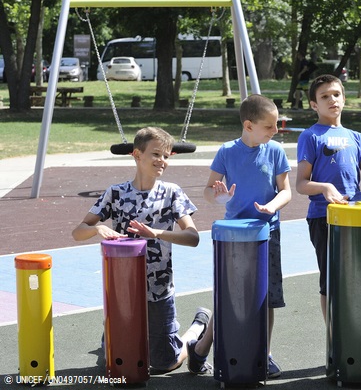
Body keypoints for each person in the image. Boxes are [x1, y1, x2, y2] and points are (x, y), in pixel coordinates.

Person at [72, 127, 210, 374]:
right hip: (122, 292)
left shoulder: (171, 193)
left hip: (159, 289)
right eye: (156, 154)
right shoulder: (115, 193)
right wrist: (98, 229)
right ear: (137, 155)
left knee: (165, 363)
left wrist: (155, 233)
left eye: (167, 156)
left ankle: (198, 327)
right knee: (114, 362)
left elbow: (193, 237)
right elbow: (78, 231)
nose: (162, 161)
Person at [189, 94, 292, 379]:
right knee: (230, 298)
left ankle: (264, 353)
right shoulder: (226, 151)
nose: (275, 131)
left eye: (276, 125)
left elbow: (286, 190)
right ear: (249, 125)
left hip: (267, 234)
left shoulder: (275, 151)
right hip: (233, 239)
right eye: (269, 126)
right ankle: (201, 347)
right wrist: (219, 198)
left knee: (266, 299)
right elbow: (209, 191)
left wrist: (272, 206)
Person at [295, 74, 361, 321]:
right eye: (324, 96)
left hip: (357, 217)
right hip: (325, 218)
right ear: (313, 105)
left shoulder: (356, 137)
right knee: (331, 279)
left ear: (343, 98)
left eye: (336, 94)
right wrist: (324, 188)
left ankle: (360, 333)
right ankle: (335, 337)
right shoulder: (310, 136)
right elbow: (301, 184)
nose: (332, 99)